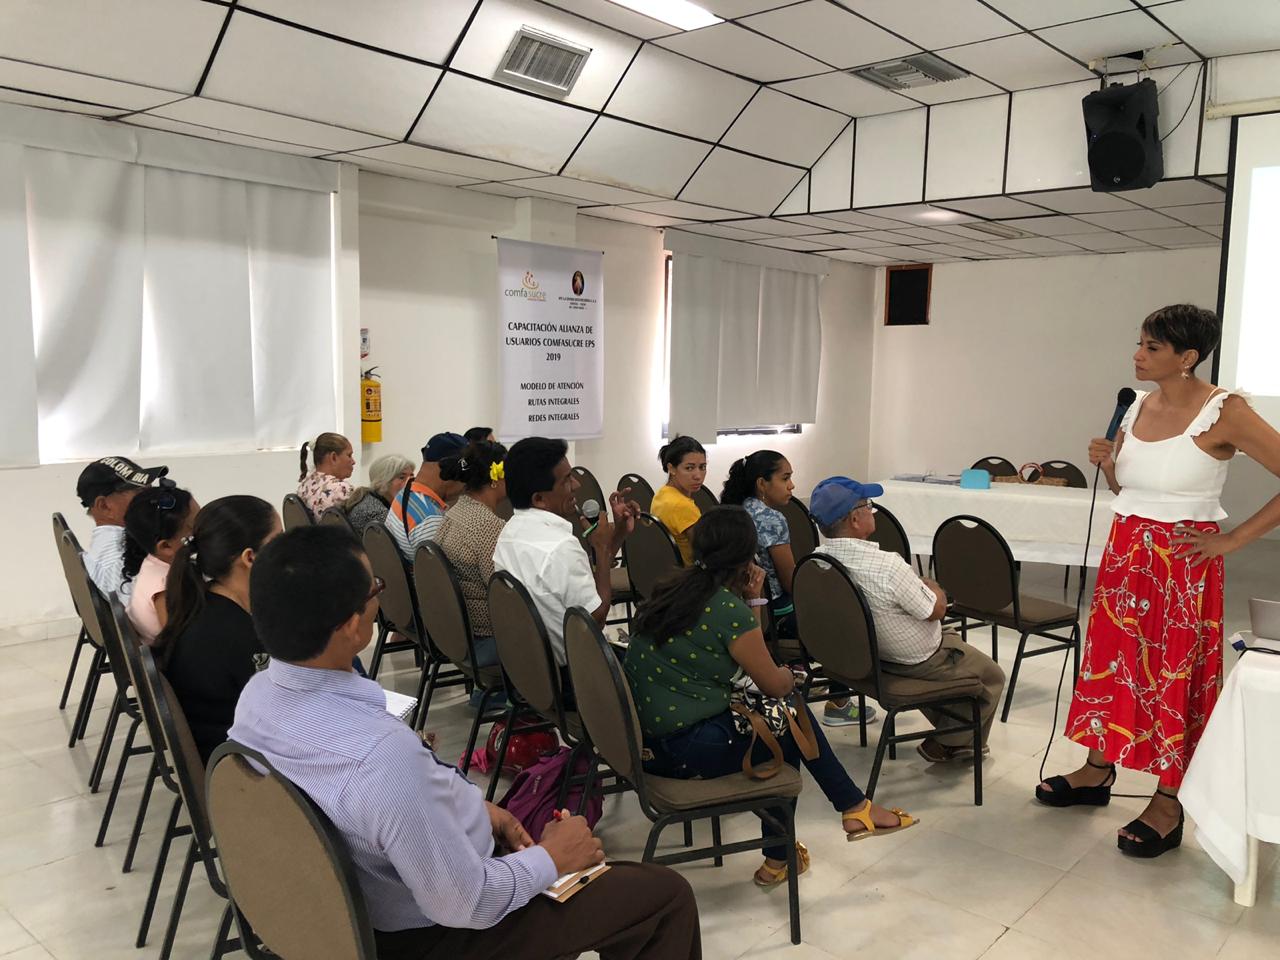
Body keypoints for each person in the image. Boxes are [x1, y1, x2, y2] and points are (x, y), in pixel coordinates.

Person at [230, 526, 702, 960]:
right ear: (352, 626)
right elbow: (467, 904)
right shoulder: (380, 757)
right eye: (375, 589)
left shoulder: (257, 697)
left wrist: (474, 809)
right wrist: (551, 857)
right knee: (663, 897)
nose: (378, 596)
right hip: (439, 933)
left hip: (361, 912)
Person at [1037, 305, 1280, 859]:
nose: (1137, 355)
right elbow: (1132, 491)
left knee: (1171, 675)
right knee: (1114, 664)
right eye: (1140, 344)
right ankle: (1098, 769)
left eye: (1151, 347)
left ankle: (1169, 800)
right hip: (1126, 556)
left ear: (1187, 356)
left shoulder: (1226, 410)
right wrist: (1109, 467)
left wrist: (1232, 540)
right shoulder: (1139, 405)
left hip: (1181, 566)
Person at [624, 507, 916, 889]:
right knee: (790, 719)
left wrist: (754, 601)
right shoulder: (725, 609)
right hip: (685, 751)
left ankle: (816, 831)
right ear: (749, 555)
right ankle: (814, 832)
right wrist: (790, 676)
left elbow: (747, 649)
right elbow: (773, 682)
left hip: (648, 742)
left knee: (785, 721)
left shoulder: (676, 590)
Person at [809, 477, 1006, 762]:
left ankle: (957, 740)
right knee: (992, 677)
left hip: (865, 656)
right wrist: (931, 586)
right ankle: (948, 743)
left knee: (952, 644)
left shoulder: (817, 560)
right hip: (914, 660)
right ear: (854, 519)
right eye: (868, 505)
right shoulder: (887, 565)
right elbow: (936, 610)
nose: (872, 510)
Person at [721, 451, 875, 728]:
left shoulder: (733, 512)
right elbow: (791, 582)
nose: (792, 485)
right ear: (762, 484)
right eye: (785, 478)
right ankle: (839, 703)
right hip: (776, 615)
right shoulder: (771, 519)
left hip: (745, 612)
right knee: (843, 620)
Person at [493, 438, 639, 666]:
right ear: (539, 499)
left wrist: (618, 533)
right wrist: (600, 547)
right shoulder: (560, 547)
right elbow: (596, 620)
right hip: (577, 673)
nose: (577, 485)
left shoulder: (509, 533)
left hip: (533, 669)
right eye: (567, 480)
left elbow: (576, 586)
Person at [160, 496, 280, 762]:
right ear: (250, 558)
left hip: (225, 756)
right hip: (246, 768)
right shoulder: (236, 635)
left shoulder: (204, 604)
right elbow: (284, 716)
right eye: (278, 542)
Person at [436, 441, 508, 678]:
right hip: (484, 639)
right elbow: (503, 593)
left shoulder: (454, 511)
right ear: (496, 478)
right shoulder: (488, 526)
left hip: (455, 633)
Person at [74, 457, 168, 596]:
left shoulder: (105, 550)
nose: (153, 500)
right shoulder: (123, 564)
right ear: (104, 506)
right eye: (140, 493)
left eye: (151, 490)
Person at [121, 485, 198, 646]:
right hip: (166, 659)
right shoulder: (164, 586)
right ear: (166, 547)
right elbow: (181, 645)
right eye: (197, 527)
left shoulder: (153, 562)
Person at [386, 432, 467, 561]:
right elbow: (438, 571)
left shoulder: (405, 493)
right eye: (465, 477)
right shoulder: (431, 520)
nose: (465, 485)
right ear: (449, 472)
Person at [650, 435, 706, 566]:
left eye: (702, 467)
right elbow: (706, 551)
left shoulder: (661, 494)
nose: (698, 476)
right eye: (689, 468)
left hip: (667, 571)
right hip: (689, 575)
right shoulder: (682, 506)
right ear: (671, 468)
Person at [345, 454, 415, 537]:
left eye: (412, 477)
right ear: (383, 481)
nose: (411, 483)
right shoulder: (377, 513)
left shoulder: (368, 498)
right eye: (402, 477)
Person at [297, 432, 355, 517]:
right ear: (334, 457)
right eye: (349, 455)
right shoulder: (342, 490)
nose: (353, 462)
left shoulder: (303, 486)